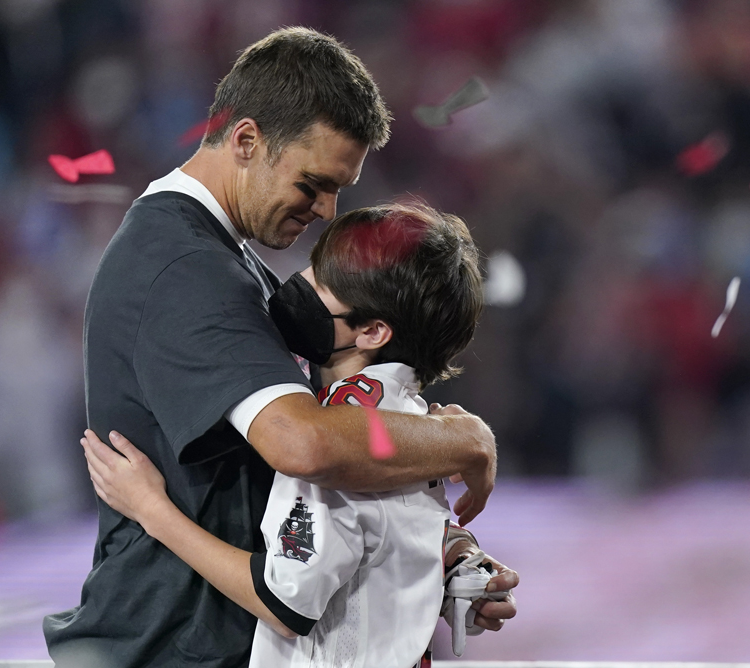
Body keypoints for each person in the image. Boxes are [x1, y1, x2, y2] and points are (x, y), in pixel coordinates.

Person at [43, 27, 505, 668]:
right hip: (169, 647)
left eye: (338, 189)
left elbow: (338, 481)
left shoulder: (229, 261)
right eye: (313, 183)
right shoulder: (182, 268)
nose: (326, 209)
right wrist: (467, 441)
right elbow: (307, 444)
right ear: (247, 141)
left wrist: (442, 555)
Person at [83, 202, 511, 668]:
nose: (300, 284)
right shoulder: (417, 423)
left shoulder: (335, 439)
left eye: (323, 281)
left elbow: (284, 602)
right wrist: (454, 553)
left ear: (371, 331)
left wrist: (152, 510)